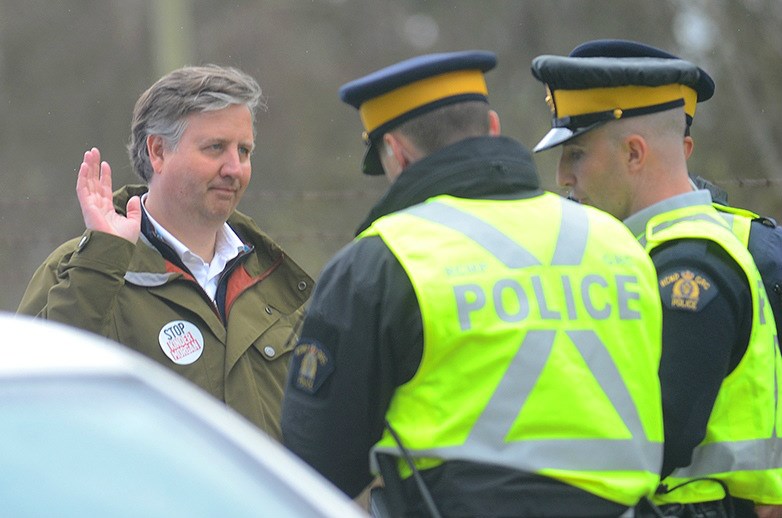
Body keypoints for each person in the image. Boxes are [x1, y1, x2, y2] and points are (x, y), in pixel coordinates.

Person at [281, 50, 666, 517]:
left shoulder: (383, 260)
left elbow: (313, 464)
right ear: (494, 127)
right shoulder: (617, 242)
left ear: (397, 154)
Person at [530, 41, 782, 516]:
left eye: (577, 154)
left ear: (633, 153)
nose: (563, 175)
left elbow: (654, 439)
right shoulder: (650, 251)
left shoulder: (689, 266)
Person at [17, 64, 313, 441]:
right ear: (157, 151)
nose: (235, 168)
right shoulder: (80, 268)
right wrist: (101, 262)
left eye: (245, 150)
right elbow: (36, 406)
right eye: (215, 148)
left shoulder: (273, 276)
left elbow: (324, 433)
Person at [567, 38, 782, 350]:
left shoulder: (762, 251)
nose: (565, 177)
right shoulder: (564, 247)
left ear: (681, 151)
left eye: (580, 154)